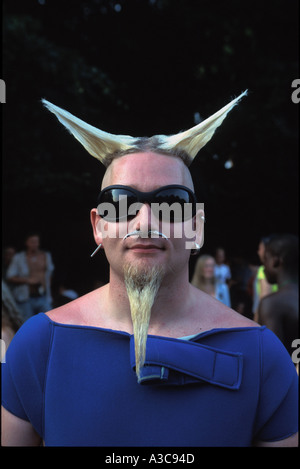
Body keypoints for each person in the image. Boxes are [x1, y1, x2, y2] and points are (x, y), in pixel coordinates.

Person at [2, 91, 298, 447]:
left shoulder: (262, 355)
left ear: (196, 227)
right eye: (121, 202)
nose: (144, 221)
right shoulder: (39, 345)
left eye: (171, 202)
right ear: (98, 225)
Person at [257, 234, 299, 358]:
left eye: (265, 259)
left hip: (289, 376)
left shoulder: (272, 304)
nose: (263, 267)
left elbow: (273, 359)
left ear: (275, 261)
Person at [5, 233, 54, 321]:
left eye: (36, 242)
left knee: (50, 320)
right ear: (26, 243)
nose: (35, 244)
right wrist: (28, 280)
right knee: (27, 323)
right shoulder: (19, 258)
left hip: (43, 296)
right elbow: (10, 276)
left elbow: (49, 273)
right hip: (26, 298)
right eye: (32, 242)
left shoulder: (45, 256)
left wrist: (46, 285)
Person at [253, 236, 278, 320]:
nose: (258, 252)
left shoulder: (264, 270)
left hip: (267, 319)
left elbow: (264, 297)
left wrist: (256, 321)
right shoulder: (279, 269)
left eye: (260, 248)